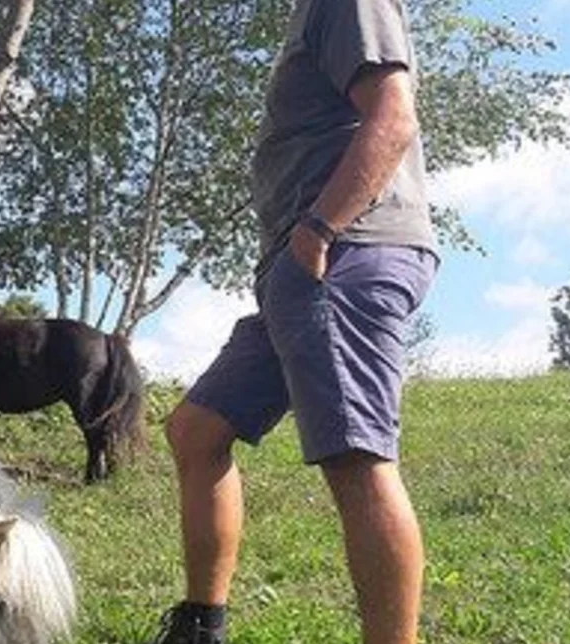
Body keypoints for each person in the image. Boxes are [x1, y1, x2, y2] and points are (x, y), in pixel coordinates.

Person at [153, 1, 439, 643]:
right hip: (302, 267)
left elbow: (393, 117)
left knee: (355, 455)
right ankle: (201, 626)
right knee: (197, 429)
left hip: (342, 251)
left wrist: (317, 231)